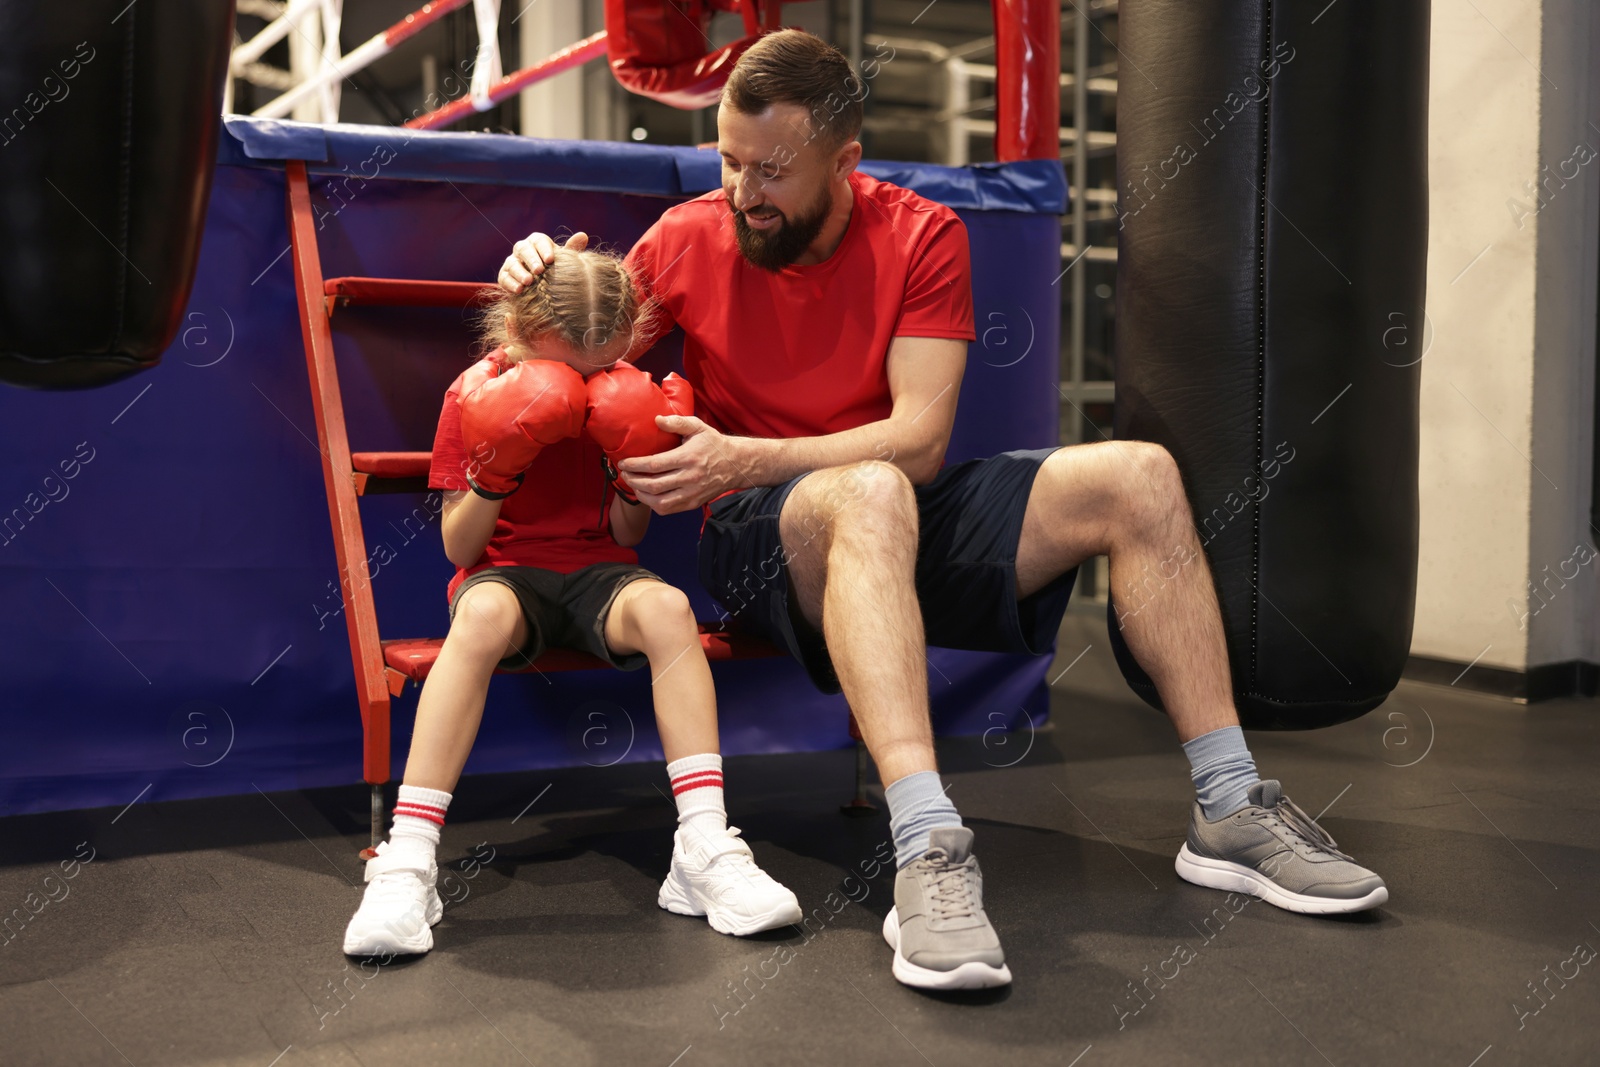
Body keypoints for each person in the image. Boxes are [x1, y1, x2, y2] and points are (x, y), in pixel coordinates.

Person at [497, 30, 1387, 991]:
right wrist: (536, 281)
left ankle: (1228, 806)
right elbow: (572, 349)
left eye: (771, 171)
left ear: (845, 160)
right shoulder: (687, 237)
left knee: (1139, 475)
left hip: (887, 508)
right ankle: (925, 844)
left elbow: (919, 440)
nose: (744, 191)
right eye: (729, 160)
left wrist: (745, 450)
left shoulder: (921, 234)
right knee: (871, 491)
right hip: (762, 537)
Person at [343, 244, 802, 957]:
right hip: (506, 577)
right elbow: (460, 551)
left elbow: (631, 532)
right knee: (483, 613)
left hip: (599, 574)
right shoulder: (472, 390)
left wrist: (626, 467)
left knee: (669, 609)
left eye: (600, 368)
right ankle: (407, 858)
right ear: (516, 335)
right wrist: (495, 471)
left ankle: (704, 845)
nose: (586, 386)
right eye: (569, 370)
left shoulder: (632, 390)